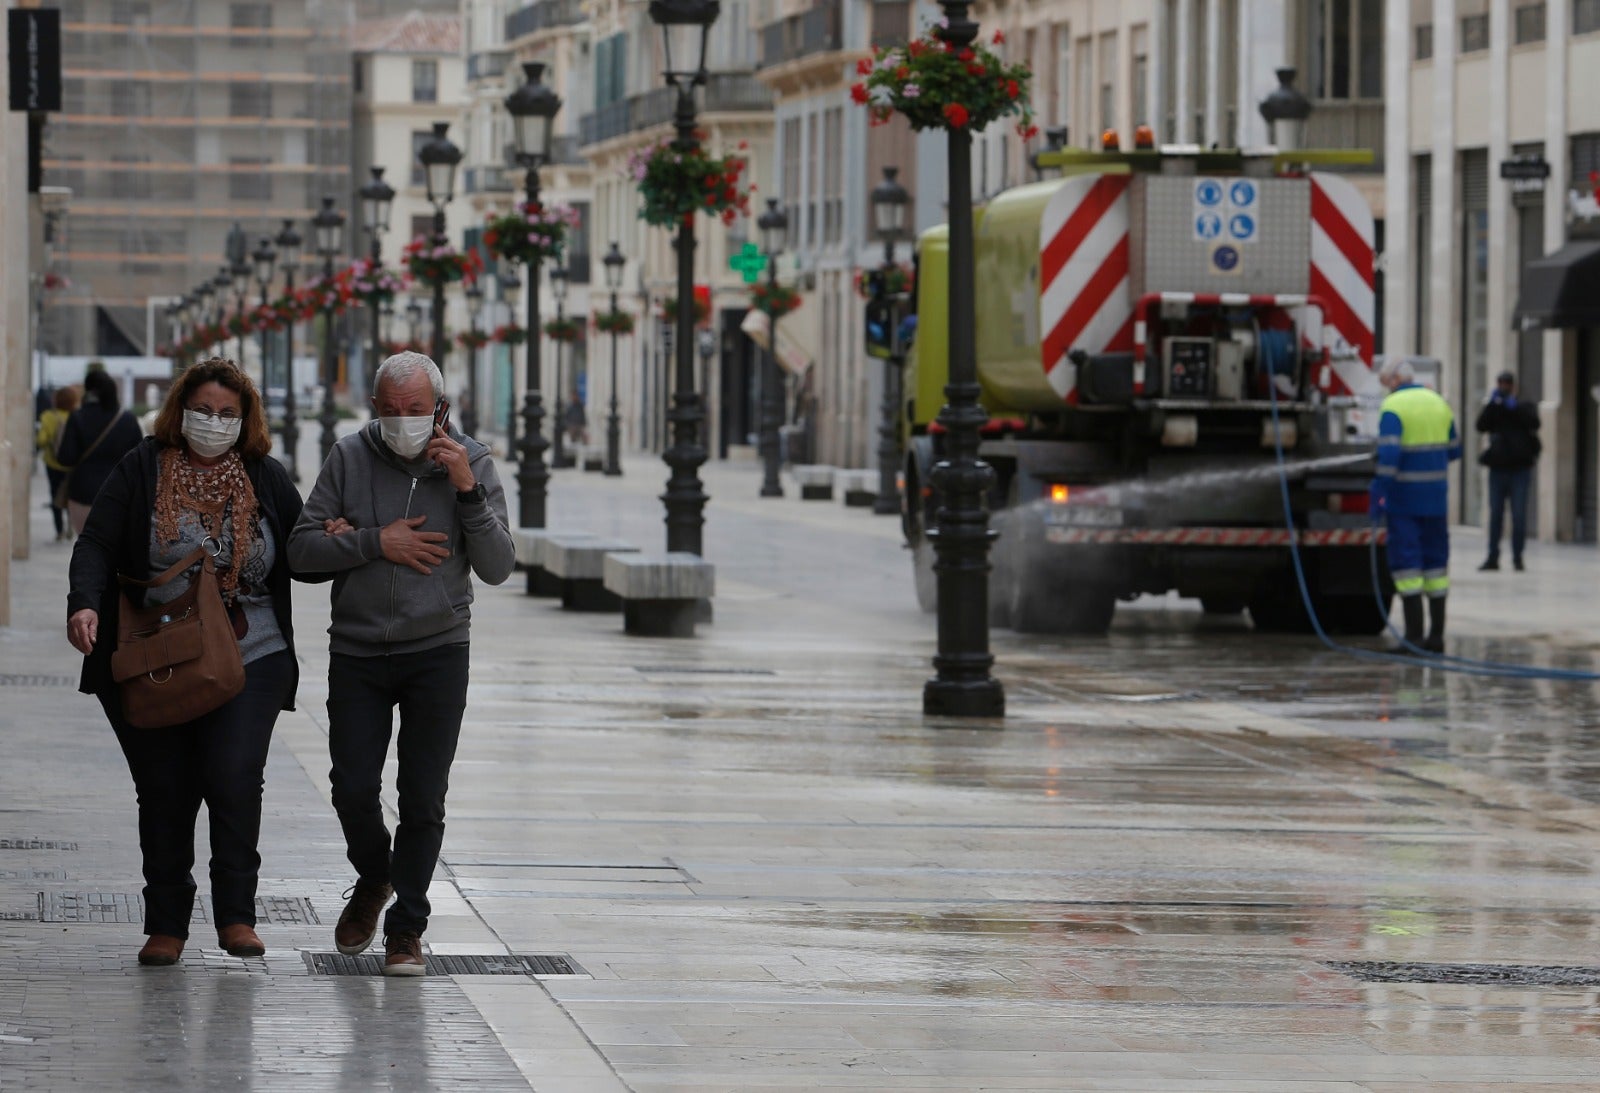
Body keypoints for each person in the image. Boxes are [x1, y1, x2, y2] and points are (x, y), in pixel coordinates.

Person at [65, 358, 321, 967]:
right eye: (203, 410)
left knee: (233, 773)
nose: (213, 422)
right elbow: (97, 542)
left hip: (249, 646)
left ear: (246, 420)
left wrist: (345, 535)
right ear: (181, 410)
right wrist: (83, 605)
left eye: (227, 414)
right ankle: (167, 924)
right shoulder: (143, 466)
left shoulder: (264, 475)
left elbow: (306, 549)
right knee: (164, 787)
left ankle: (236, 915)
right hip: (157, 650)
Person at [286, 351, 515, 977]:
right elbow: (301, 554)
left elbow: (498, 566)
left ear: (439, 409)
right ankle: (375, 876)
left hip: (437, 648)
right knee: (351, 786)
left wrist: (467, 488)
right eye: (389, 411)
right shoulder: (349, 456)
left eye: (415, 411)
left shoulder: (474, 461)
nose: (402, 422)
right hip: (358, 649)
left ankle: (407, 927)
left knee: (423, 797)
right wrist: (370, 541)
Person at [1370, 357, 1462, 652]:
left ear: (1395, 380)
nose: (1386, 389)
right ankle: (1436, 637)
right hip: (1436, 500)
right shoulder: (1439, 403)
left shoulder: (1393, 409)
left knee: (1408, 567)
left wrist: (1379, 491)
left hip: (1405, 502)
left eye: (1386, 383)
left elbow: (1389, 459)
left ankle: (1413, 637)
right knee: (1436, 567)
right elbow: (1454, 450)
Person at [55, 368, 144, 536]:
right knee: (115, 550)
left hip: (82, 493)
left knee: (86, 546)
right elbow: (139, 460)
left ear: (88, 390)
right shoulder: (127, 419)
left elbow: (66, 458)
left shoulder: (77, 418)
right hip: (119, 495)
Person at [1476, 370, 1541, 572]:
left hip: (1520, 469)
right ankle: (1492, 557)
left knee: (1519, 516)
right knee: (1495, 515)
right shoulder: (1494, 407)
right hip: (1498, 469)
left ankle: (1518, 557)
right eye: (1501, 382)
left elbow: (1535, 423)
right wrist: (1491, 406)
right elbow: (1480, 426)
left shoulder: (1524, 405)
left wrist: (1515, 407)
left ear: (1514, 385)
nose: (1504, 386)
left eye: (1508, 383)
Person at [36, 384, 82, 541]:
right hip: (72, 464)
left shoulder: (48, 416)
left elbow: (41, 440)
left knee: (55, 494)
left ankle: (59, 530)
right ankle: (71, 526)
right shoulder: (77, 416)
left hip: (52, 464)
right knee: (71, 494)